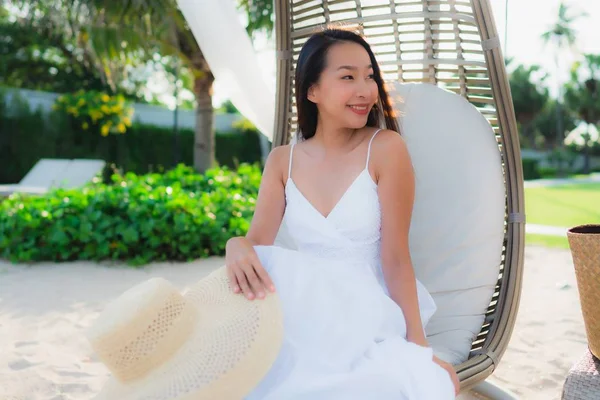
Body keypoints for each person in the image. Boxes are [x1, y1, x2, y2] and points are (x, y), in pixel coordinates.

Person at [225, 27, 459, 399]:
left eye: (369, 76)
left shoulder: (385, 148)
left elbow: (396, 257)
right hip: (304, 309)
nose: (365, 89)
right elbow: (257, 244)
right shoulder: (282, 161)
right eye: (348, 76)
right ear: (312, 90)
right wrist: (236, 244)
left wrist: (418, 346)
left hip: (368, 310)